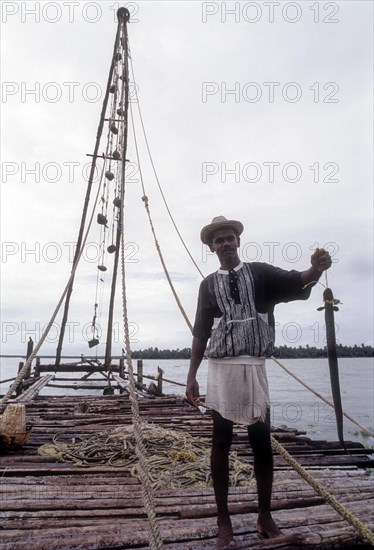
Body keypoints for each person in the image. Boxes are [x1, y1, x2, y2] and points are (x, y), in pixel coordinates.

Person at [186, 216, 332, 550]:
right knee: (221, 443)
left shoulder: (262, 274)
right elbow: (199, 332)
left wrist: (317, 270)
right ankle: (224, 521)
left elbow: (298, 280)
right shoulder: (207, 285)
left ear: (238, 241)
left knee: (261, 444)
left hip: (254, 366)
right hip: (221, 369)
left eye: (229, 238)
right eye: (218, 241)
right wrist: (191, 376)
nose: (225, 244)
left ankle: (264, 516)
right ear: (212, 248)